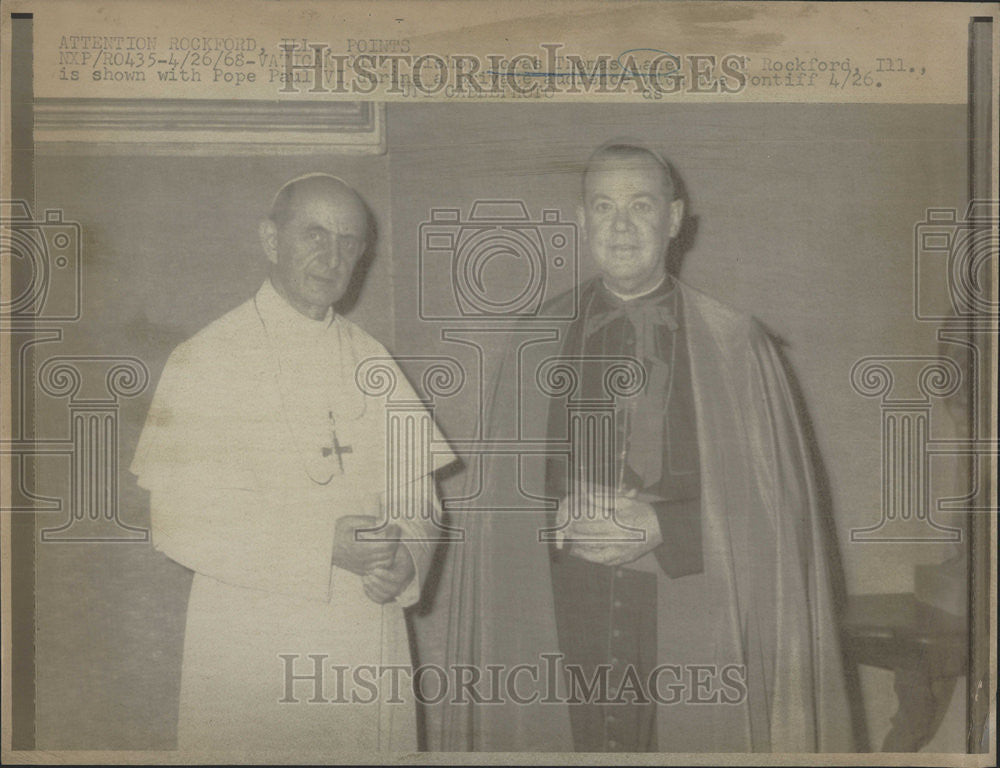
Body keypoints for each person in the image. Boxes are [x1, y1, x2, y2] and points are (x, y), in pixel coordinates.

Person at [420, 142, 853, 752]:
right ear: (582, 219)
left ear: (674, 219)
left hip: (695, 620)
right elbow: (496, 518)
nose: (620, 226)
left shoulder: (737, 347)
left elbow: (780, 523)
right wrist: (557, 515)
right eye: (603, 206)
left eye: (640, 206)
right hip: (563, 619)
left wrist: (665, 524)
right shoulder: (533, 343)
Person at [131, 173, 455, 756]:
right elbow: (178, 519)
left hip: (364, 633)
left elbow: (419, 499)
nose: (332, 257)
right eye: (314, 235)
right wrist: (321, 547)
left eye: (349, 242)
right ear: (271, 240)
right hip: (252, 639)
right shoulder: (206, 359)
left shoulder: (372, 359)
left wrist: (407, 556)